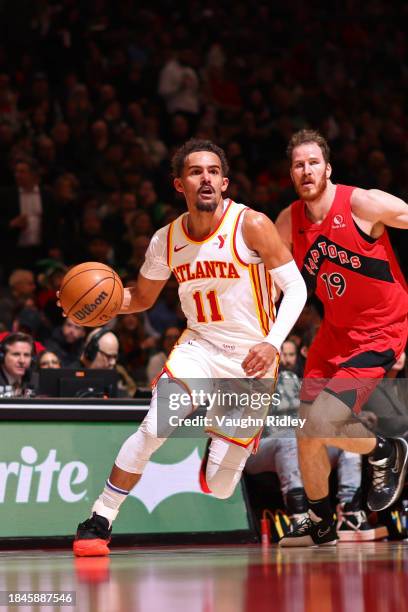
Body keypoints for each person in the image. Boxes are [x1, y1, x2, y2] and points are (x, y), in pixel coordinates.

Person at [70, 138, 307, 556]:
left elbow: (296, 289)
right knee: (153, 428)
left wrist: (272, 344)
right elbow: (140, 298)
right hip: (199, 347)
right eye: (196, 172)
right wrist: (86, 307)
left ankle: (217, 449)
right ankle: (99, 520)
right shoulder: (166, 240)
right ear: (179, 184)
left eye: (214, 171)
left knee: (219, 486)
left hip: (253, 360)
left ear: (225, 181)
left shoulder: (251, 224)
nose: (206, 179)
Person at [275, 129, 408, 547]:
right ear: (292, 173)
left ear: (327, 168)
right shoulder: (287, 222)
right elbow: (269, 282)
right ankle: (320, 524)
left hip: (380, 330)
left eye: (313, 162)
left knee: (324, 420)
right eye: (298, 164)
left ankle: (385, 450)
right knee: (305, 430)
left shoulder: (361, 203)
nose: (306, 170)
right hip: (333, 334)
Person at [78, 327, 136, 397]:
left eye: (115, 357)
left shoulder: (118, 374)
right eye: (109, 356)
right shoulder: (69, 377)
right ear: (91, 352)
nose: (113, 362)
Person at [0, 332, 35, 397]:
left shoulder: (35, 380)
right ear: (2, 356)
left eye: (26, 355)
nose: (22, 360)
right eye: (16, 354)